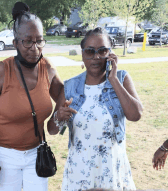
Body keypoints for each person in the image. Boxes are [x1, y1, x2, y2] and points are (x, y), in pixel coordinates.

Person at [0, 2, 63, 190]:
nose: (35, 47)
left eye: (39, 40)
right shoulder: (1, 71)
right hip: (4, 155)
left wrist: (58, 117)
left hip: (37, 154)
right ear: (15, 42)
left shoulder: (47, 69)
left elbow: (64, 94)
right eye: (27, 41)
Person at [47, 27, 143, 190]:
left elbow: (136, 114)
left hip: (111, 170)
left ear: (110, 53)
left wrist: (113, 80)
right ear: (83, 54)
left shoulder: (122, 78)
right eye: (90, 51)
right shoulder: (70, 87)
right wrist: (59, 116)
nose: (96, 57)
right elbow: (51, 130)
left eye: (102, 50)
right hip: (81, 171)